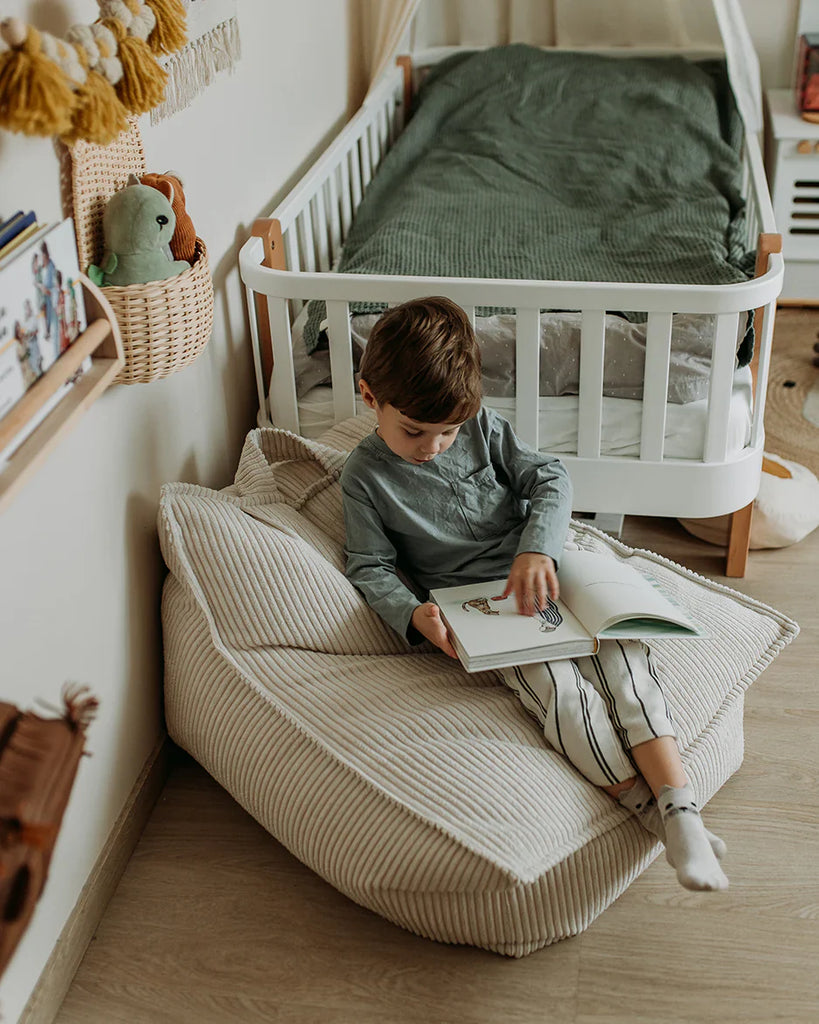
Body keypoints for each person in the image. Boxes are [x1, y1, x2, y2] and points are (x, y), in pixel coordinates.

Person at [341, 296, 729, 892]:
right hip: (486, 604)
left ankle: (683, 808)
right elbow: (370, 565)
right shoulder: (365, 478)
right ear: (371, 397)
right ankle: (654, 816)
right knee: (561, 694)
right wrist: (413, 613)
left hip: (549, 562)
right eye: (415, 431)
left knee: (624, 659)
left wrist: (538, 548)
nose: (433, 446)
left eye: (446, 432)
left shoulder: (481, 428)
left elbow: (549, 476)